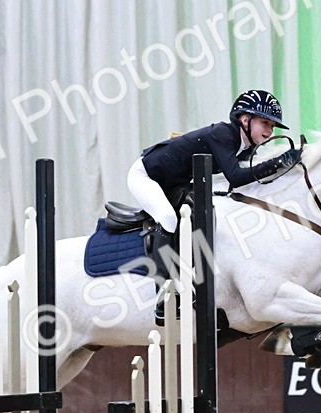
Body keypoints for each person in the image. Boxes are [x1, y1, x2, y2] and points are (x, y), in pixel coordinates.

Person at [127, 89, 302, 323]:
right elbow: (236, 177)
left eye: (272, 126)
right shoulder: (223, 134)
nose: (270, 131)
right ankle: (164, 294)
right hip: (145, 176)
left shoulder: (245, 146)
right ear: (245, 119)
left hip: (175, 181)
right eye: (265, 123)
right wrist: (280, 161)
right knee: (168, 218)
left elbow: (241, 178)